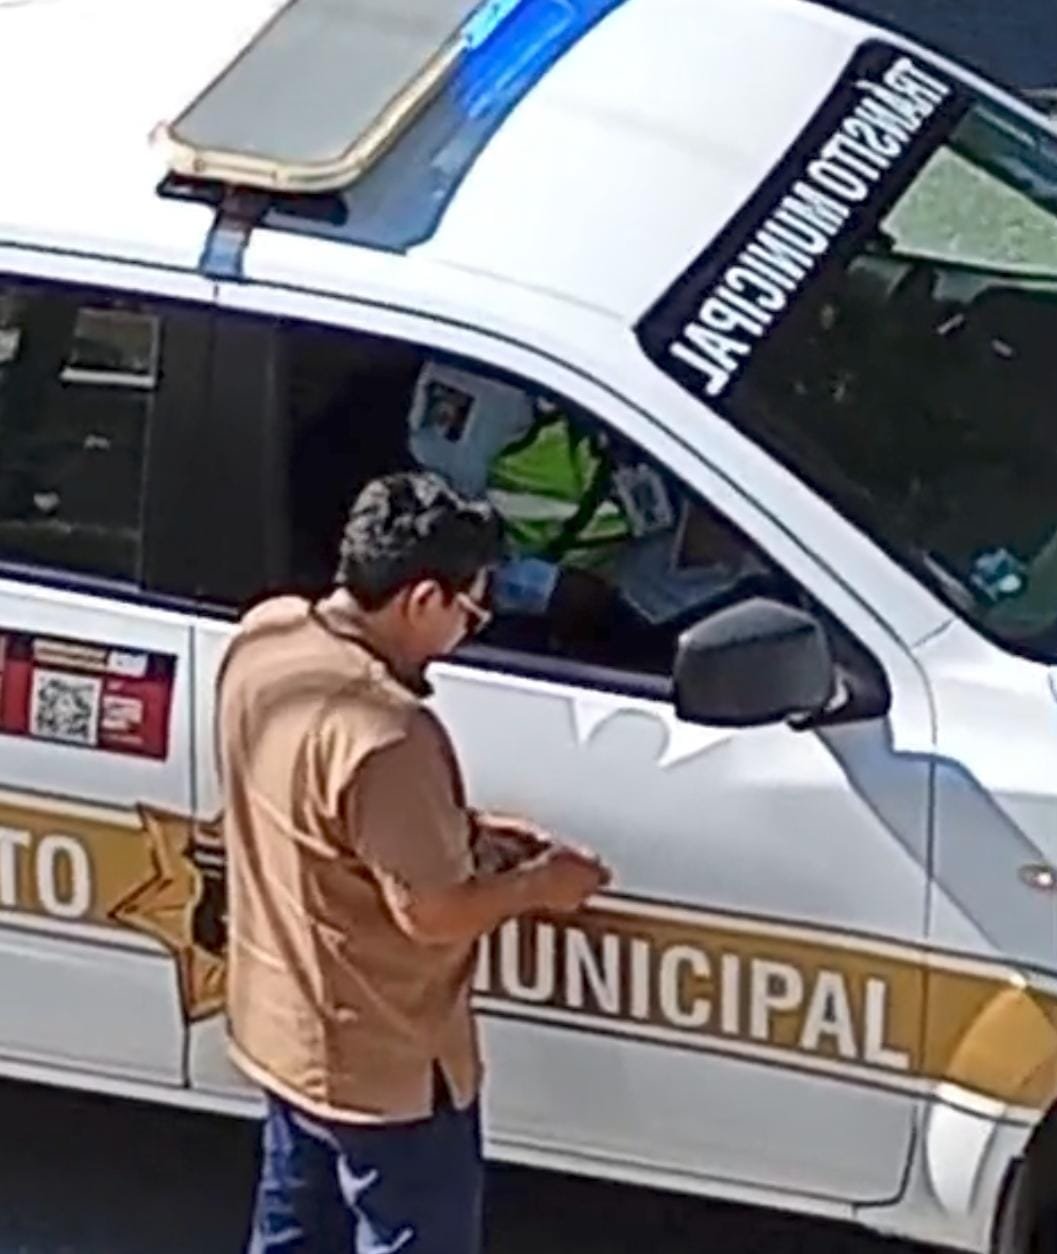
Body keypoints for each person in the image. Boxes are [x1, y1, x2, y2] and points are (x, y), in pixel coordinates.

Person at [216, 471, 611, 1254]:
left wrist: (460, 829)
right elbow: (431, 913)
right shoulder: (388, 730)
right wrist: (540, 885)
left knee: (292, 1234)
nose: (474, 624)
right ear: (422, 597)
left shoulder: (265, 635)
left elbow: (320, 814)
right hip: (385, 1066)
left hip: (285, 1034)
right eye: (471, 607)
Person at [407, 359, 771, 662]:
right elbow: (435, 539)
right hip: (568, 593)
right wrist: (547, 588)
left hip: (669, 537)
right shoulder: (483, 386)